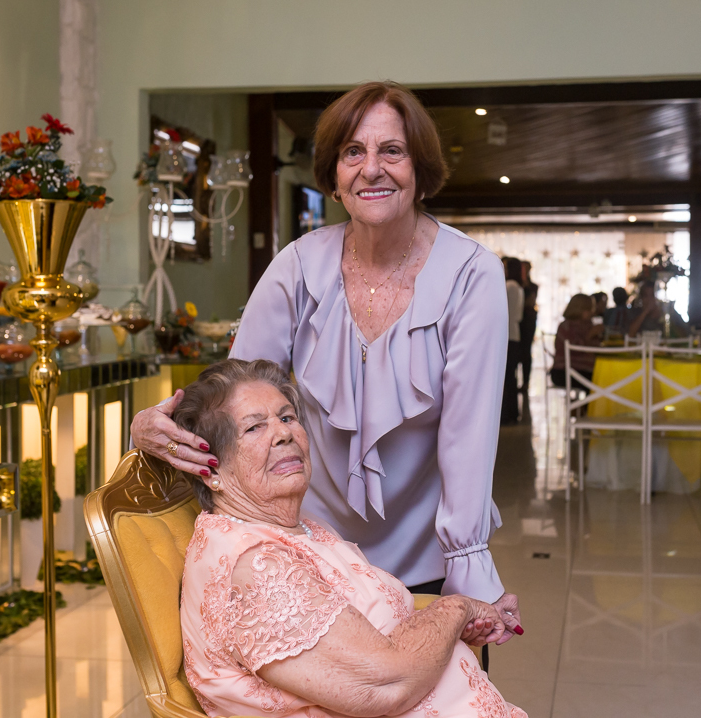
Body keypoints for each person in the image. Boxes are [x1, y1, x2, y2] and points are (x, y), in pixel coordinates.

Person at [131, 82, 521, 634]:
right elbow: (234, 396)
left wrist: (470, 573)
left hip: (425, 556)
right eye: (352, 152)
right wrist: (161, 425)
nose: (371, 169)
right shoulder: (298, 265)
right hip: (306, 551)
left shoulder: (471, 274)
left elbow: (467, 440)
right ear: (335, 174)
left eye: (393, 150)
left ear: (421, 168)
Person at [176, 359, 526, 718]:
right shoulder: (256, 566)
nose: (283, 434)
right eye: (254, 428)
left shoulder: (298, 527)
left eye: (286, 417)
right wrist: (456, 608)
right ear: (211, 470)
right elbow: (385, 686)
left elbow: (370, 634)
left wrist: (442, 633)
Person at [550, 294, 602, 390]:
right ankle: (585, 404)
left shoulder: (588, 325)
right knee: (600, 379)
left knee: (604, 376)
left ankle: (586, 404)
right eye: (589, 309)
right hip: (564, 371)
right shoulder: (565, 326)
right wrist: (590, 335)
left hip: (586, 369)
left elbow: (596, 348)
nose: (592, 312)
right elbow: (575, 348)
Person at [501, 257, 525, 425]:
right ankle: (512, 413)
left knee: (506, 377)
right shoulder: (518, 287)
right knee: (510, 377)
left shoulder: (509, 286)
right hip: (513, 334)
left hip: (507, 335)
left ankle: (507, 414)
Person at [518, 261, 538, 404]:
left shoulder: (532, 286)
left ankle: (525, 382)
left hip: (527, 320)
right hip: (516, 320)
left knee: (526, 350)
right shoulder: (514, 285)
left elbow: (530, 302)